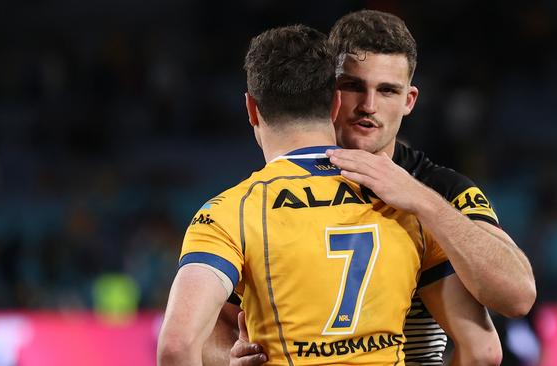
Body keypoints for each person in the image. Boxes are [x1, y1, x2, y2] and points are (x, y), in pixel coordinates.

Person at [158, 24, 500, 365]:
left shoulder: (231, 212)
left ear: (251, 109)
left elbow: (177, 344)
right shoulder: (403, 201)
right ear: (336, 103)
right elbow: (484, 352)